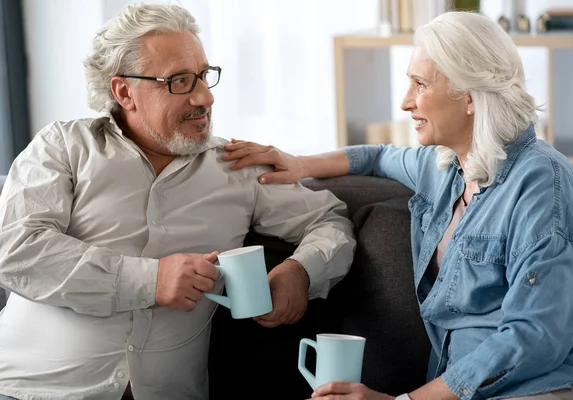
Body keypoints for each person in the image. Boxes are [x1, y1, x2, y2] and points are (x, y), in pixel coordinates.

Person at [222, 11, 573, 400]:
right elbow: (377, 156)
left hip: (548, 386)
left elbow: (536, 337)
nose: (405, 102)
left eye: (419, 84)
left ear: (469, 96)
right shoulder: (445, 166)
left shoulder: (542, 185)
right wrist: (301, 163)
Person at [0, 3, 356, 400]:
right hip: (28, 389)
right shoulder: (62, 147)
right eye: (180, 81)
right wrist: (151, 281)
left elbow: (329, 221)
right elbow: (16, 251)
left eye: (204, 76)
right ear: (124, 91)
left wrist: (301, 271)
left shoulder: (235, 166)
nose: (205, 97)